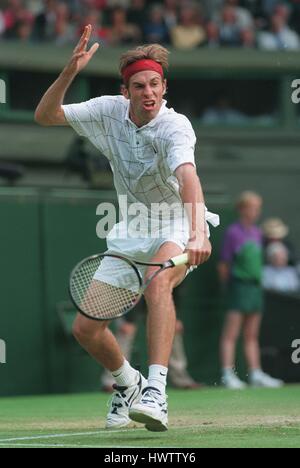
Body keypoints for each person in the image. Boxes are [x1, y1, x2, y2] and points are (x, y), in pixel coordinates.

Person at [35, 27, 219, 432]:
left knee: (157, 283)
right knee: (85, 328)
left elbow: (188, 177)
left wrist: (198, 232)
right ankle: (128, 384)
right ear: (126, 91)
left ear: (164, 86)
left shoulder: (176, 127)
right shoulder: (106, 111)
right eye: (139, 85)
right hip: (131, 231)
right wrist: (69, 72)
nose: (148, 92)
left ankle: (156, 391)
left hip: (176, 221)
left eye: (155, 84)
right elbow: (46, 116)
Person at [218, 191, 283, 389]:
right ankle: (228, 374)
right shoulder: (233, 233)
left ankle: (255, 373)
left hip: (255, 288)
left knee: (251, 334)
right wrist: (230, 287)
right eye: (252, 207)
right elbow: (223, 265)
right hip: (239, 287)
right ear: (242, 209)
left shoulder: (257, 233)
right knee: (231, 334)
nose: (256, 212)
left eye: (258, 208)